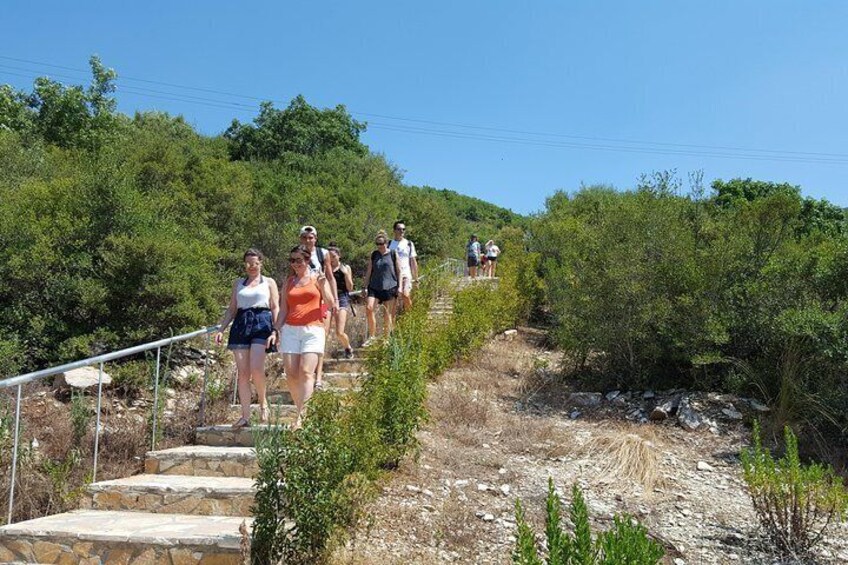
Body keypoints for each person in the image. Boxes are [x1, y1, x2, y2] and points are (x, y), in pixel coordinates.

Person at [215, 249, 280, 428]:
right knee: (243, 372)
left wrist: (276, 330)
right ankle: (245, 416)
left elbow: (275, 307)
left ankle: (263, 403)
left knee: (256, 369)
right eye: (249, 263)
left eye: (255, 263)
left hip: (262, 322)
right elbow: (232, 309)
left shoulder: (269, 282)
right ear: (245, 264)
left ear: (261, 263)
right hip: (241, 324)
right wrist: (221, 329)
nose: (252, 266)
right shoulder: (238, 283)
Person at [276, 245, 335, 429]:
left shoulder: (317, 279)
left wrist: (324, 284)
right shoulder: (289, 282)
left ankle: (300, 417)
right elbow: (284, 309)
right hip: (291, 330)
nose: (295, 264)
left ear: (307, 260)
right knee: (291, 375)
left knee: (306, 372)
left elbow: (331, 303)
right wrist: (275, 329)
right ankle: (303, 409)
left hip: (313, 329)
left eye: (298, 260)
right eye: (292, 260)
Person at [298, 225, 338, 391]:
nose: (308, 240)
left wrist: (334, 299)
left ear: (315, 238)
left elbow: (330, 276)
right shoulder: (297, 254)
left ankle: (318, 378)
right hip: (303, 301)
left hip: (321, 299)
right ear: (301, 238)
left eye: (311, 237)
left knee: (320, 337)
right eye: (305, 237)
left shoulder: (323, 253)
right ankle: (306, 375)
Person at [363, 230, 401, 344]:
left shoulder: (393, 254)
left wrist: (399, 287)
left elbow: (399, 271)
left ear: (386, 243)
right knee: (369, 308)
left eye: (381, 243)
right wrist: (365, 286)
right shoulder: (374, 255)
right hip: (374, 286)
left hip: (390, 286)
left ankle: (386, 338)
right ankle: (372, 336)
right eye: (377, 244)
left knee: (387, 313)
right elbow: (369, 270)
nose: (379, 246)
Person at [328, 245, 355, 359]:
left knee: (339, 332)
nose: (331, 259)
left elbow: (350, 288)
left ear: (339, 256)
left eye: (333, 256)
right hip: (328, 297)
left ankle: (347, 347)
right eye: (329, 257)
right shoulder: (326, 268)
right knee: (324, 331)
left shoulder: (345, 267)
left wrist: (346, 274)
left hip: (342, 296)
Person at [388, 220, 418, 312]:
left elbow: (413, 261)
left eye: (403, 229)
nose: (402, 231)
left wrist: (416, 279)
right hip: (393, 275)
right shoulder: (390, 244)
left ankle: (410, 316)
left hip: (406, 274)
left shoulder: (409, 244)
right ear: (394, 230)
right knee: (393, 300)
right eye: (399, 229)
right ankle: (393, 322)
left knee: (406, 295)